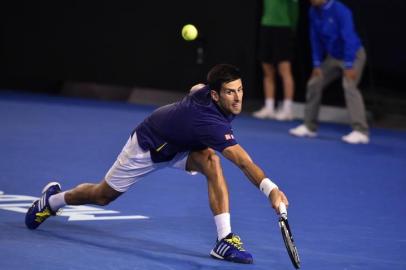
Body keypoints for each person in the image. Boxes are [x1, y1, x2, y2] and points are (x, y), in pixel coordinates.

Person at [25, 64, 289, 264]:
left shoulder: (207, 95)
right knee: (103, 195)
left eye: (240, 90)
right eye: (230, 92)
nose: (238, 97)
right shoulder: (210, 122)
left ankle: (224, 240)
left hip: (179, 145)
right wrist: (271, 189)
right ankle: (52, 201)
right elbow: (243, 162)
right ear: (216, 96)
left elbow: (196, 88)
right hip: (148, 146)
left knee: (211, 161)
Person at [290, 0, 370, 144]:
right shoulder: (313, 11)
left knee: (349, 86)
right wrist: (317, 63)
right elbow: (314, 38)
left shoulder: (341, 11)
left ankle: (361, 131)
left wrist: (350, 64)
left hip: (352, 55)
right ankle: (310, 127)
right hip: (333, 57)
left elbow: (349, 38)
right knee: (314, 83)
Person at [253, 0, 299, 121]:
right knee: (267, 70)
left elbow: (294, 10)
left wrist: (291, 27)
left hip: (283, 29)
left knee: (284, 70)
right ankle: (269, 107)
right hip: (266, 27)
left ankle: (288, 109)